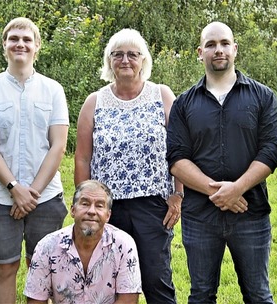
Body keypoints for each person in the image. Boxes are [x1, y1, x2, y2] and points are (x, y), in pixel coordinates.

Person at [166, 21, 277, 303]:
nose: (218, 50)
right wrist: (218, 192)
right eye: (210, 45)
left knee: (258, 295)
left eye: (223, 44)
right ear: (200, 52)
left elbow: (272, 150)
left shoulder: (263, 97)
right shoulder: (184, 104)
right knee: (201, 295)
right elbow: (176, 158)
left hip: (250, 212)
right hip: (200, 216)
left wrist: (238, 188)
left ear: (235, 49)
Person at [74, 28, 180, 303]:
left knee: (156, 280)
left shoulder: (162, 95)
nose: (125, 60)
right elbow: (83, 158)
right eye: (117, 54)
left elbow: (181, 151)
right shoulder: (94, 102)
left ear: (143, 60)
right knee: (106, 282)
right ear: (109, 61)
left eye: (133, 54)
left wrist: (178, 195)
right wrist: (84, 204)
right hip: (107, 208)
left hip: (153, 206)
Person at [0, 17, 69, 303]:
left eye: (27, 39)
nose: (20, 44)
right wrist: (15, 188)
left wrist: (32, 194)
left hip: (46, 198)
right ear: (4, 45)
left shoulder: (53, 90)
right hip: (1, 197)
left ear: (37, 46)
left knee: (43, 269)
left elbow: (58, 145)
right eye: (14, 38)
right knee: (6, 266)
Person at [24, 180, 142, 304]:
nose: (91, 211)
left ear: (108, 215)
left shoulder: (124, 245)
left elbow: (128, 300)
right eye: (85, 204)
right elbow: (36, 300)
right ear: (73, 210)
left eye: (99, 206)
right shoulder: (46, 247)